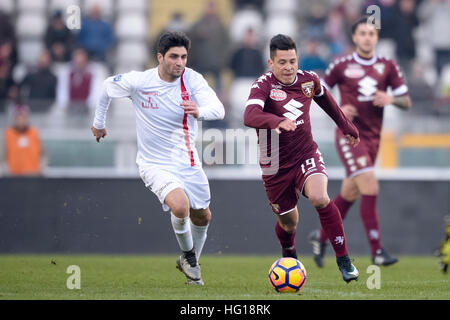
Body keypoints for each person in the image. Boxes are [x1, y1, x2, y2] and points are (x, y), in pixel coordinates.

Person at [91, 32, 225, 285]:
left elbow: (219, 109)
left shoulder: (192, 80)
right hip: (154, 163)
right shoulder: (141, 81)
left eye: (184, 57)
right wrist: (99, 124)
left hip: (187, 160)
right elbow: (107, 87)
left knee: (203, 216)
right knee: (180, 206)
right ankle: (190, 258)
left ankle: (190, 261)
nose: (180, 62)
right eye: (174, 56)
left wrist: (200, 111)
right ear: (160, 57)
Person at [243, 34, 360, 283]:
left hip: (305, 153)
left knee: (319, 197)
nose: (288, 67)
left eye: (292, 61)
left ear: (298, 60)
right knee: (289, 224)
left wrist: (346, 125)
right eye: (282, 62)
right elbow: (249, 115)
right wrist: (277, 121)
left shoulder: (309, 80)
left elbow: (328, 103)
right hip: (274, 164)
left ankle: (344, 260)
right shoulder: (263, 85)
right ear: (271, 63)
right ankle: (289, 253)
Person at [308, 17, 412, 268]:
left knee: (350, 192)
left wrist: (391, 98)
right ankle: (377, 250)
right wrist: (340, 108)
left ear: (376, 38)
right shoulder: (341, 65)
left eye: (371, 33)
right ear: (354, 37)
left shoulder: (388, 66)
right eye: (362, 33)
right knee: (370, 186)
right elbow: (316, 91)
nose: (367, 37)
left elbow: (406, 101)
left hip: (374, 138)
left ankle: (320, 238)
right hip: (350, 136)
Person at [4, 104, 45, 176]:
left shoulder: (34, 133)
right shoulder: (8, 134)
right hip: (13, 176)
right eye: (18, 118)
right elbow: (3, 155)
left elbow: (43, 154)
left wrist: (41, 169)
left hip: (32, 175)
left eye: (23, 117)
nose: (21, 120)